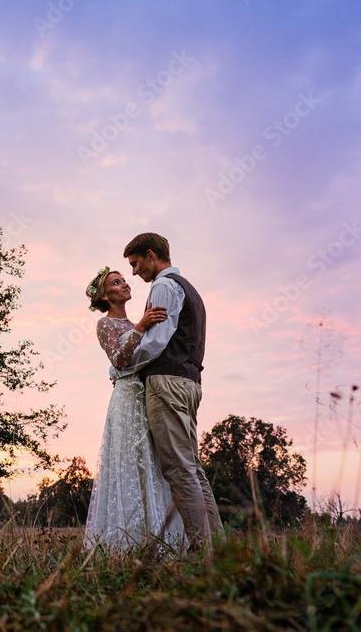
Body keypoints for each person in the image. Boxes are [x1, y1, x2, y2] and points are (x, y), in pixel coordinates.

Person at [116, 232, 223, 547]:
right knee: (191, 468)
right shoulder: (190, 289)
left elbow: (155, 343)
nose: (134, 273)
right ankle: (217, 547)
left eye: (136, 264)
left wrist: (120, 368)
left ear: (151, 255)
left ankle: (204, 551)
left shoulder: (163, 286)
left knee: (178, 470)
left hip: (167, 382)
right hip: (189, 383)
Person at [84, 266, 186, 550]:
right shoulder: (105, 324)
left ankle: (158, 539)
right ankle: (126, 544)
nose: (125, 284)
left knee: (152, 463)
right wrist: (141, 326)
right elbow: (118, 360)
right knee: (129, 462)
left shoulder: (136, 321)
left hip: (148, 395)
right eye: (116, 283)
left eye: (125, 280)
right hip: (127, 401)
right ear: (105, 296)